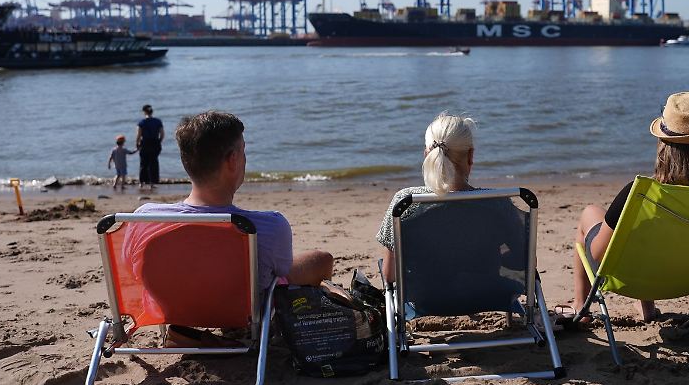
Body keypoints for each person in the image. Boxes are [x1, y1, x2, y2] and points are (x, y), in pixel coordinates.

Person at [125, 111, 334, 345]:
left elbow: (133, 270)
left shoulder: (143, 220)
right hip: (239, 311)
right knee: (320, 259)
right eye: (244, 152)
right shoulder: (266, 226)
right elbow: (283, 270)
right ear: (233, 160)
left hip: (174, 309)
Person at [570, 91, 689, 323]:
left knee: (591, 213)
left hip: (636, 279)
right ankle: (647, 309)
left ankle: (580, 306)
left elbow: (599, 256)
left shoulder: (641, 194)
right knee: (657, 233)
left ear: (664, 146)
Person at [375, 113, 477, 284]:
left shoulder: (405, 203)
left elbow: (390, 275)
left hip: (423, 295)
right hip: (485, 293)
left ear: (426, 155)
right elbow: (524, 263)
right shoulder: (497, 203)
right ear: (470, 156)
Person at [135, 104, 164, 192]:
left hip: (145, 143)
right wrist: (158, 142)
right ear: (152, 111)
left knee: (143, 163)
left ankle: (142, 183)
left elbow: (139, 135)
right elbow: (162, 134)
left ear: (144, 112)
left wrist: (137, 144)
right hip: (155, 143)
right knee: (153, 163)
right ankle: (152, 183)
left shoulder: (141, 122)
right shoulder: (158, 121)